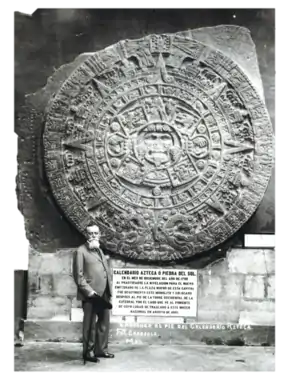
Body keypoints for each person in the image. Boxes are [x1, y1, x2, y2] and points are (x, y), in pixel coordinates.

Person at [72, 224, 114, 364]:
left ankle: (101, 350)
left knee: (103, 322)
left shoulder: (99, 250)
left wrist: (109, 289)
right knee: (89, 324)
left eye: (96, 233)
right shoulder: (80, 251)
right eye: (91, 233)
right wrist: (89, 291)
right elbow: (78, 276)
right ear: (86, 235)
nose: (93, 236)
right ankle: (88, 352)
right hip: (91, 294)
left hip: (104, 293)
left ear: (99, 234)